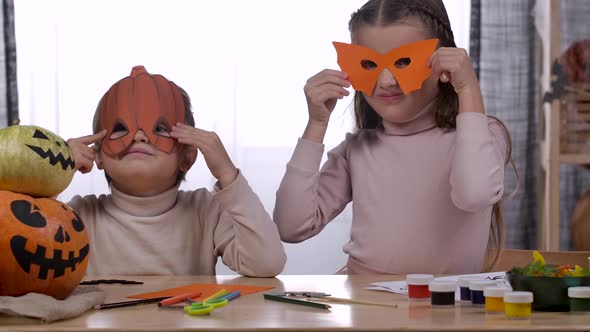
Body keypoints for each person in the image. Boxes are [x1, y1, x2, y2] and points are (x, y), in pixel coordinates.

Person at [273, 0, 516, 274]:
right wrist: (316, 124)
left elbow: (473, 194)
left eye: (403, 62)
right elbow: (290, 226)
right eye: (368, 64)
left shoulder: (480, 137)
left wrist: (468, 88)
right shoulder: (357, 150)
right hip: (366, 308)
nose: (386, 80)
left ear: (444, 62)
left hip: (448, 311)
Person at [66, 65, 286, 277]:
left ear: (187, 158)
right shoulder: (79, 215)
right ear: (98, 155)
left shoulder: (206, 211)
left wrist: (227, 174)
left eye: (159, 128)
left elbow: (266, 264)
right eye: (121, 128)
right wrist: (56, 168)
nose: (139, 137)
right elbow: (31, 262)